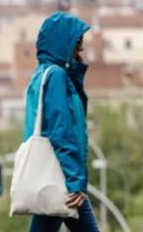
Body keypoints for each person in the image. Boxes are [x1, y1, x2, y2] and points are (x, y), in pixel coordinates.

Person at [22, 12, 100, 232]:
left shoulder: (43, 75)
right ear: (62, 44)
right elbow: (60, 130)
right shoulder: (55, 76)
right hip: (61, 177)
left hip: (53, 175)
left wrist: (74, 72)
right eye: (77, 44)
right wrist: (75, 182)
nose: (81, 50)